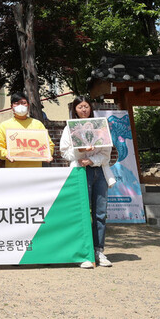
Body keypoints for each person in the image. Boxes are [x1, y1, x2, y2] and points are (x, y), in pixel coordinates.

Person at [59, 96, 112, 269]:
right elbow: (65, 152)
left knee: (100, 213)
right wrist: (80, 151)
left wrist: (92, 160)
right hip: (80, 172)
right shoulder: (69, 128)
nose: (83, 109)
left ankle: (98, 250)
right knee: (82, 212)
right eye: (80, 107)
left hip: (99, 172)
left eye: (86, 106)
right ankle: (84, 252)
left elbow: (106, 153)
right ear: (75, 109)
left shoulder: (101, 126)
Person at [0, 92, 50, 168]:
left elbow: (48, 145)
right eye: (17, 103)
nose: (20, 106)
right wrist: (7, 154)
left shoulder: (38, 124)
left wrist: (47, 154)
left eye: (23, 103)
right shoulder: (4, 126)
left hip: (35, 170)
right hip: (13, 171)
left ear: (28, 105)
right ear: (11, 107)